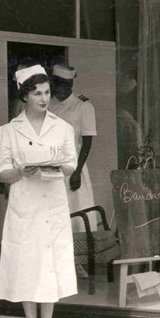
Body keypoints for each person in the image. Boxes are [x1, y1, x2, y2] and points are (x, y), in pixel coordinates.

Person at [0, 64, 78, 318]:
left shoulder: (63, 127)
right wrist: (20, 171)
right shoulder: (7, 131)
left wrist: (56, 166)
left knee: (50, 267)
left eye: (47, 92)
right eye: (37, 93)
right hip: (24, 206)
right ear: (24, 96)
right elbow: (2, 172)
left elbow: (70, 163)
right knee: (28, 268)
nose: (44, 98)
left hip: (52, 205)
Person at [49, 64, 97, 229]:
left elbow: (87, 141)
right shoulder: (48, 104)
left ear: (71, 85)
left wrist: (77, 172)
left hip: (73, 167)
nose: (61, 88)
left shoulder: (82, 106)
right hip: (50, 166)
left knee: (77, 212)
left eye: (66, 84)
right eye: (58, 83)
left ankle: (80, 249)